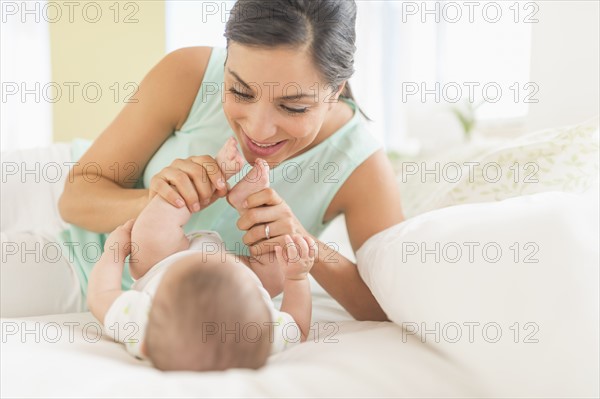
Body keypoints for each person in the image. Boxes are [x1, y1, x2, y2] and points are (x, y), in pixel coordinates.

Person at [1, 0, 403, 320]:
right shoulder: (189, 72)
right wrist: (159, 201)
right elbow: (75, 199)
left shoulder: (360, 166)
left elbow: (386, 305)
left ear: (335, 91)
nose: (259, 130)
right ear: (226, 61)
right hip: (52, 196)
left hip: (106, 283)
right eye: (240, 92)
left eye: (293, 107)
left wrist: (302, 243)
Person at [87, 152, 315, 370]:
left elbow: (101, 295)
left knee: (152, 230)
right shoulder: (259, 336)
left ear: (144, 347)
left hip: (168, 259)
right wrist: (296, 276)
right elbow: (299, 327)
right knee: (275, 272)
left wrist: (113, 251)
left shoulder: (147, 327)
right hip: (245, 272)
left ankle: (214, 178)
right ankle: (247, 199)